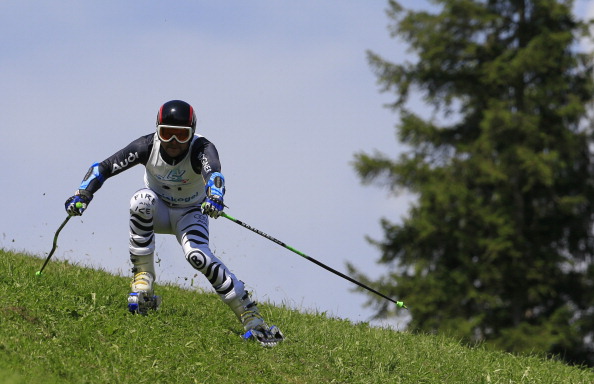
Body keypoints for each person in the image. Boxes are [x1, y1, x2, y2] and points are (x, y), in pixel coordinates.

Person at [64, 100, 283, 346]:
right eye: (167, 134)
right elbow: (102, 168)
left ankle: (250, 316)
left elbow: (215, 175)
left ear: (191, 133)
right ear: (158, 130)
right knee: (140, 200)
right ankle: (143, 279)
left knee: (197, 256)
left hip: (190, 212)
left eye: (182, 135)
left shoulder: (202, 148)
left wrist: (216, 197)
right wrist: (83, 195)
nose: (174, 143)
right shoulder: (146, 146)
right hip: (157, 209)